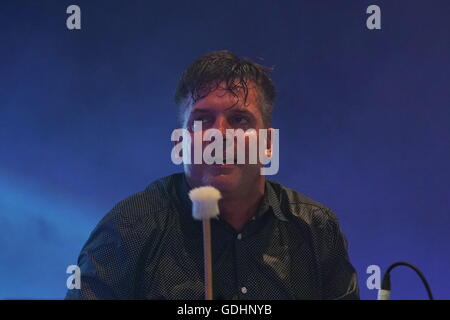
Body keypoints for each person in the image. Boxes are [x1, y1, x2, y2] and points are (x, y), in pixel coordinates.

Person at [65, 50, 359, 300]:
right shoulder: (129, 227)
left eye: (239, 120)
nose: (219, 135)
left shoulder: (316, 229)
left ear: (268, 144)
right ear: (180, 142)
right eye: (202, 120)